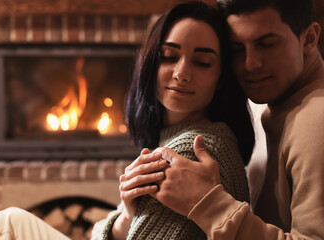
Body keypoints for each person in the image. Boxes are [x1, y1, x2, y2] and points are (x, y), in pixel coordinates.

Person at [128, 0, 324, 239]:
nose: (249, 64)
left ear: (310, 38)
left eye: (267, 44)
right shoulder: (277, 103)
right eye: (237, 49)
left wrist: (209, 204)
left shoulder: (317, 120)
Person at [91, 1, 255, 239]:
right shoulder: (175, 138)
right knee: (14, 219)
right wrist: (127, 216)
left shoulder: (190, 151)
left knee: (14, 221)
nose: (181, 73)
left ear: (221, 78)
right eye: (168, 56)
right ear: (151, 64)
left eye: (202, 62)